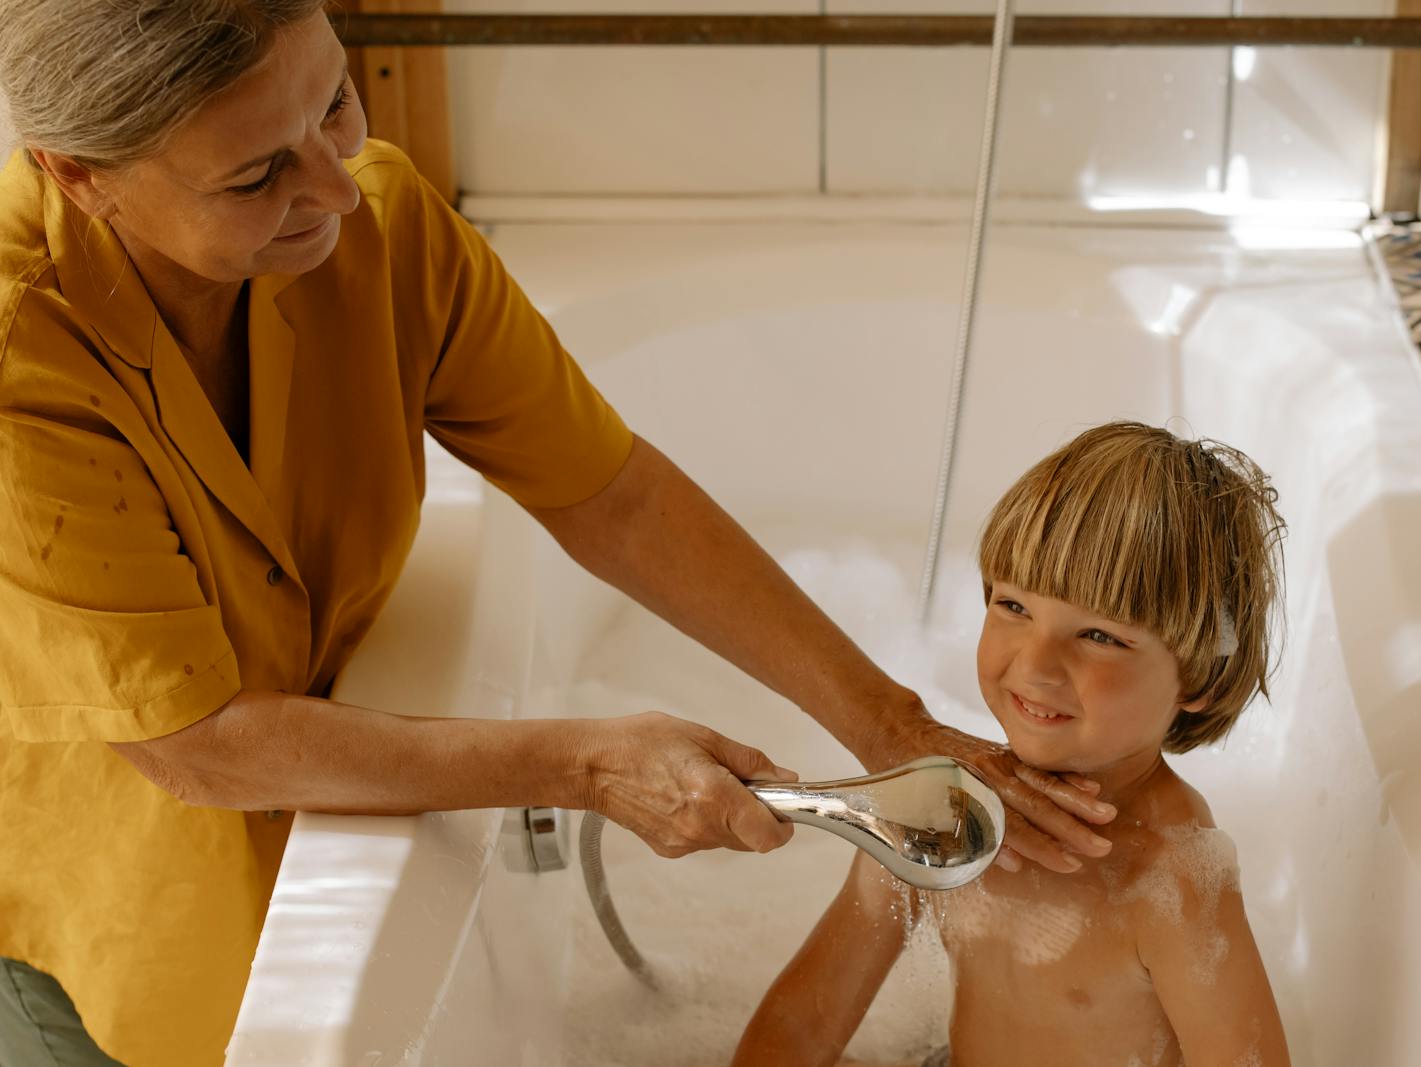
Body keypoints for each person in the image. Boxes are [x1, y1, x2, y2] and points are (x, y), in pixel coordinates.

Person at [0, 5, 1118, 1066]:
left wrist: (892, 722)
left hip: (294, 766)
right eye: (258, 174)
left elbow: (611, 495)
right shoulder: (20, 358)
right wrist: (585, 761)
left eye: (335, 104)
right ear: (77, 173)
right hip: (111, 887)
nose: (338, 187)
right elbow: (196, 744)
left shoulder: (379, 227)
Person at [733, 421, 1294, 1067]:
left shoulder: (1168, 877)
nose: (1035, 665)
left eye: (1099, 636)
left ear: (1200, 674)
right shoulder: (933, 815)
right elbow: (804, 1023)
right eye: (1013, 606)